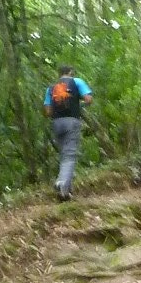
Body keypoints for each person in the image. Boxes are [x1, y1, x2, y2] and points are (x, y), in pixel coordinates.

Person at [43, 65, 92, 200]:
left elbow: (47, 111)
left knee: (64, 155)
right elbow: (88, 99)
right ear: (71, 73)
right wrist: (79, 105)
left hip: (56, 123)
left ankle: (65, 193)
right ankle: (61, 182)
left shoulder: (51, 88)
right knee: (70, 155)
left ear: (59, 74)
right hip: (72, 121)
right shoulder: (77, 81)